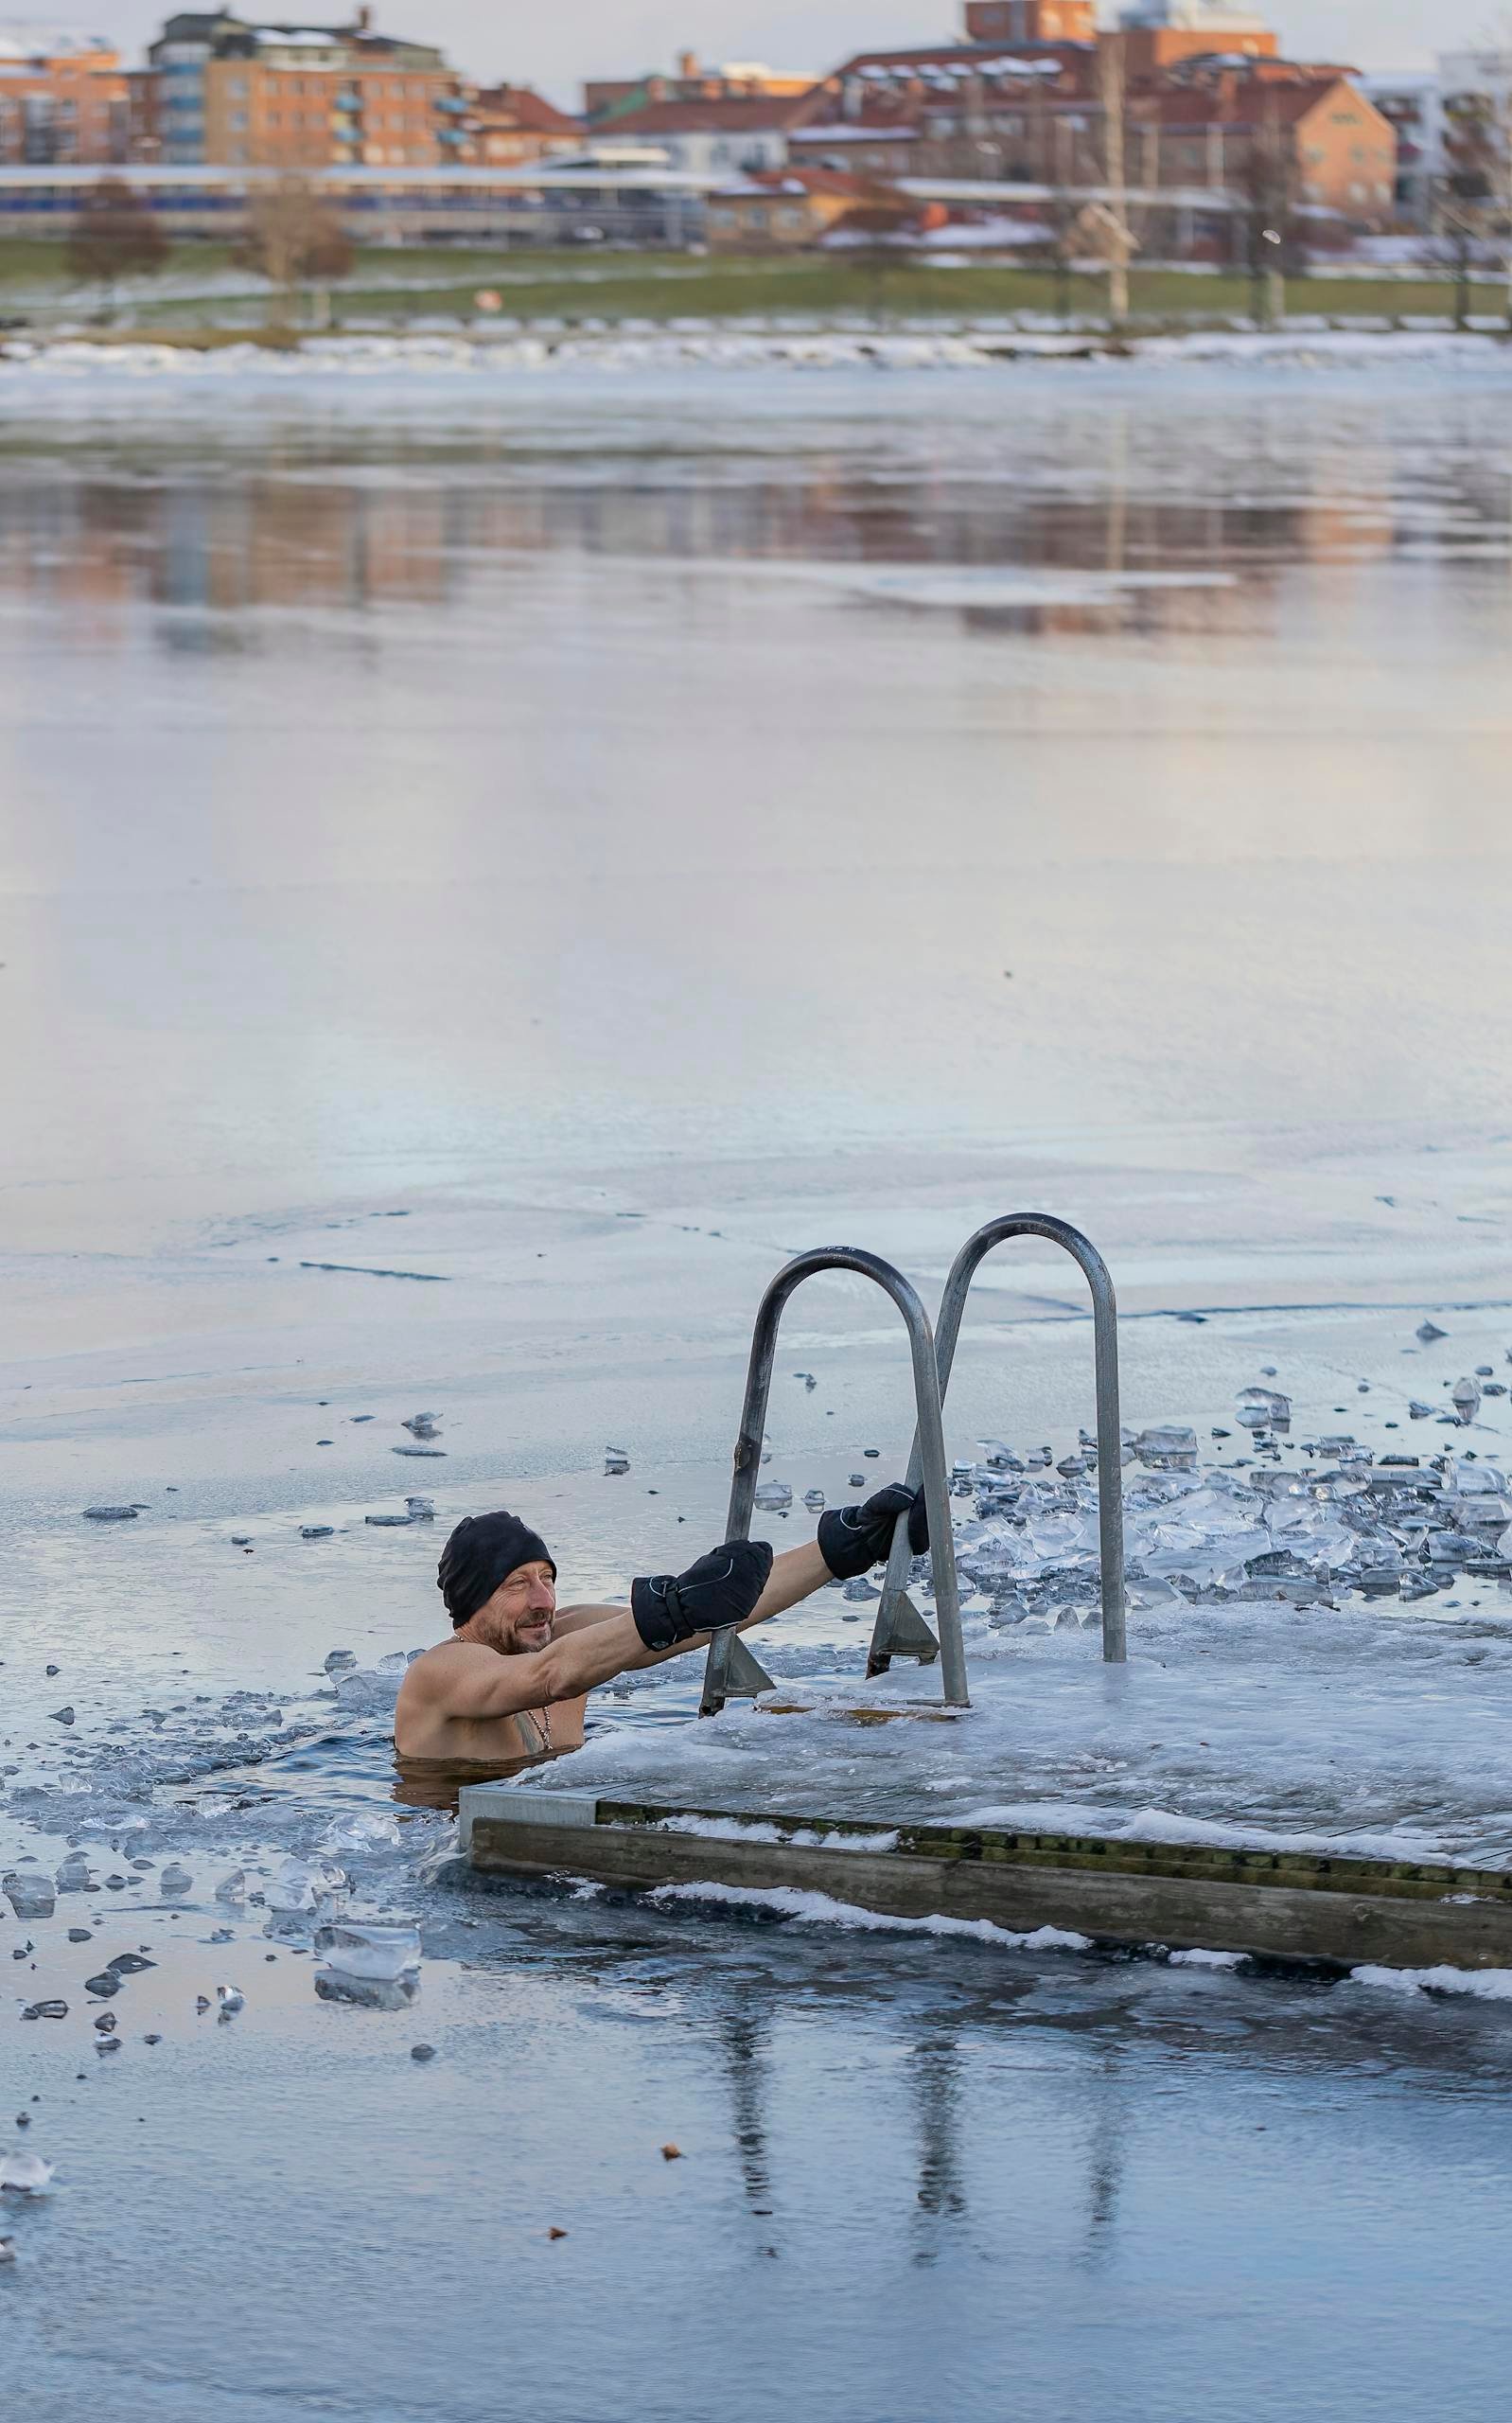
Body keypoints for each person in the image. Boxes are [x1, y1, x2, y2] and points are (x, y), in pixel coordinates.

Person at [393, 1485, 929, 1775]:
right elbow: (551, 1676)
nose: (542, 1601)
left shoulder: (564, 1632)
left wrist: (847, 1548)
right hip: (462, 1869)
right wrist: (673, 1607)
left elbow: (711, 1618)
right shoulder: (442, 1671)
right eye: (516, 1585)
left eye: (547, 1579)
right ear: (472, 1599)